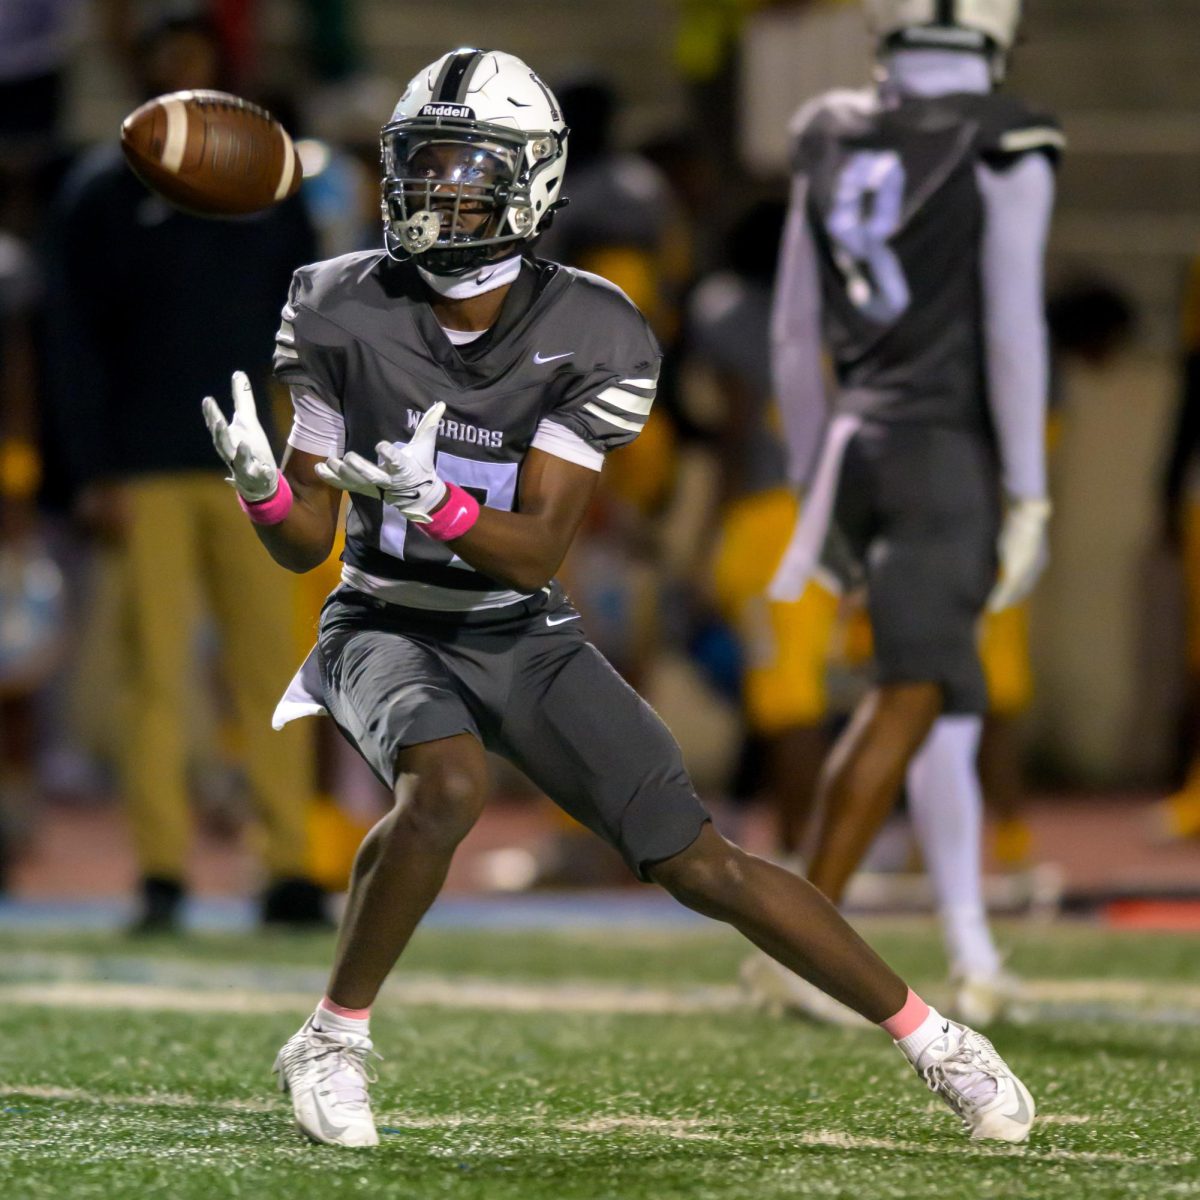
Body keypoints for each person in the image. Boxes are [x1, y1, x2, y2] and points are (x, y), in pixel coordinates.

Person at [202, 47, 1035, 1149]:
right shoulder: (337, 301)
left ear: (530, 181)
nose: (432, 190)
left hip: (518, 626)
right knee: (443, 784)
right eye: (420, 164)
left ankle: (936, 1040)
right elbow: (308, 539)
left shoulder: (594, 327)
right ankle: (334, 1035)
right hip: (383, 621)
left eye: (463, 168)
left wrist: (435, 497)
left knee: (702, 862)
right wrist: (267, 495)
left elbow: (534, 552)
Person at [767, 0, 1061, 1021]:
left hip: (857, 439)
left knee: (948, 705)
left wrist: (814, 477)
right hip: (945, 447)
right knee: (915, 691)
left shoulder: (827, 127)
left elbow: (794, 334)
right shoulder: (1004, 135)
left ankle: (972, 948)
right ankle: (800, 941)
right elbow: (1015, 326)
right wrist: (1028, 485)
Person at [44, 8, 324, 931]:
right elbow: (73, 341)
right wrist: (93, 469)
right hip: (148, 463)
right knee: (154, 676)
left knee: (276, 670)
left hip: (255, 465)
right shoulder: (100, 191)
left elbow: (305, 326)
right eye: (170, 66)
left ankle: (288, 864)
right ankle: (162, 870)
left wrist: (308, 450)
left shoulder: (269, 190)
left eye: (198, 65)